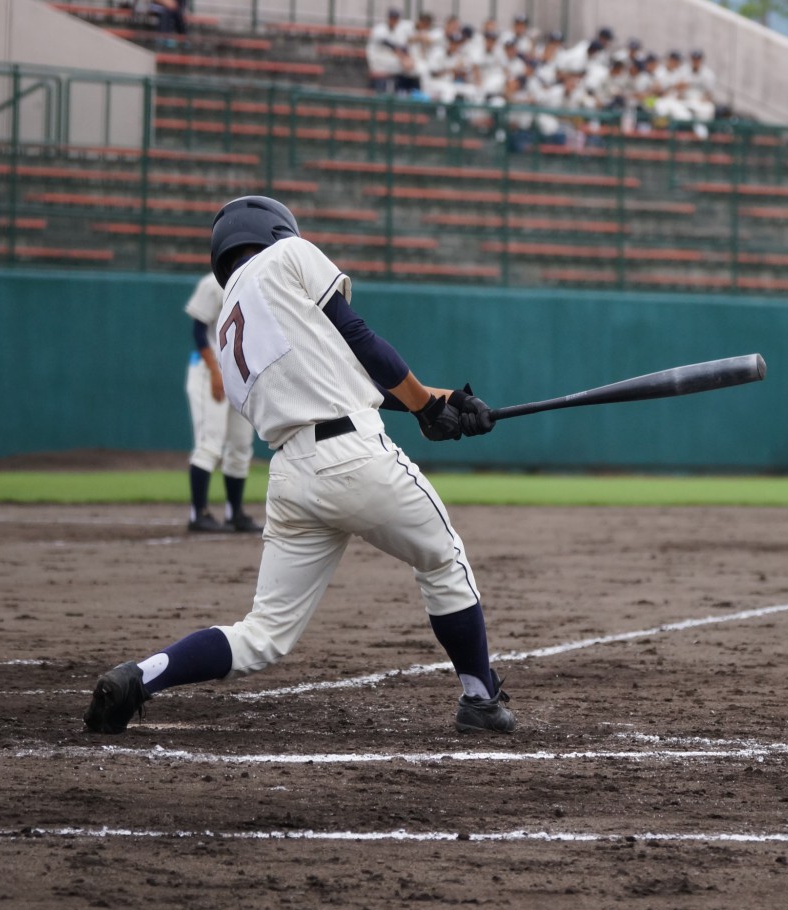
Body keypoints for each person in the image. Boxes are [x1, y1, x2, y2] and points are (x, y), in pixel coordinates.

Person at [84, 196, 514, 736]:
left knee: (262, 634)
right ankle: (479, 698)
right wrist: (427, 407)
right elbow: (360, 341)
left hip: (292, 478)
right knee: (444, 563)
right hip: (355, 456)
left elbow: (341, 376)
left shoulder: (230, 325)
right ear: (273, 229)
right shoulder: (288, 255)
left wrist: (445, 400)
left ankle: (139, 677)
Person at [183, 273, 262, 533]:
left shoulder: (257, 281)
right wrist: (215, 373)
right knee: (210, 444)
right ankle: (198, 514)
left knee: (240, 445)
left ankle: (234, 513)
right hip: (209, 372)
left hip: (240, 374)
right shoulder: (212, 283)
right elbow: (198, 331)